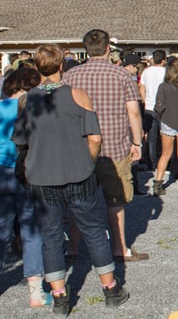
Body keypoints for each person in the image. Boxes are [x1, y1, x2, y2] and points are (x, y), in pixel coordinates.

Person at [13, 44, 129, 313]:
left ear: (36, 68)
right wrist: (87, 162)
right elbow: (95, 138)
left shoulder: (26, 100)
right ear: (62, 66)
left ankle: (60, 297)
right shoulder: (79, 95)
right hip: (79, 173)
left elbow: (22, 143)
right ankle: (110, 289)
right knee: (94, 231)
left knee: (51, 236)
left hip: (42, 177)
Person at [62, 29, 148, 262]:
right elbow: (133, 111)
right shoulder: (121, 75)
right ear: (108, 48)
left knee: (78, 201)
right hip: (115, 145)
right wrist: (137, 141)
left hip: (80, 147)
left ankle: (73, 249)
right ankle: (120, 248)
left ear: (85, 49)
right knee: (116, 201)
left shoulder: (71, 76)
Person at [0, 65, 51, 309]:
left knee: (3, 228)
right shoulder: (35, 109)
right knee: (32, 231)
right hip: (29, 171)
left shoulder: (0, 108)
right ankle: (36, 291)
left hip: (2, 171)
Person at [153, 60, 178, 197]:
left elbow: (159, 106)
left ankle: (158, 184)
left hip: (168, 121)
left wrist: (159, 116)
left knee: (165, 154)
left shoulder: (164, 86)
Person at [140, 50, 167, 170]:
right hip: (163, 108)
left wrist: (145, 101)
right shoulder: (166, 72)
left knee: (151, 137)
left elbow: (142, 87)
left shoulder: (146, 71)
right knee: (165, 136)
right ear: (163, 60)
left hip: (149, 107)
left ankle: (152, 163)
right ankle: (164, 161)